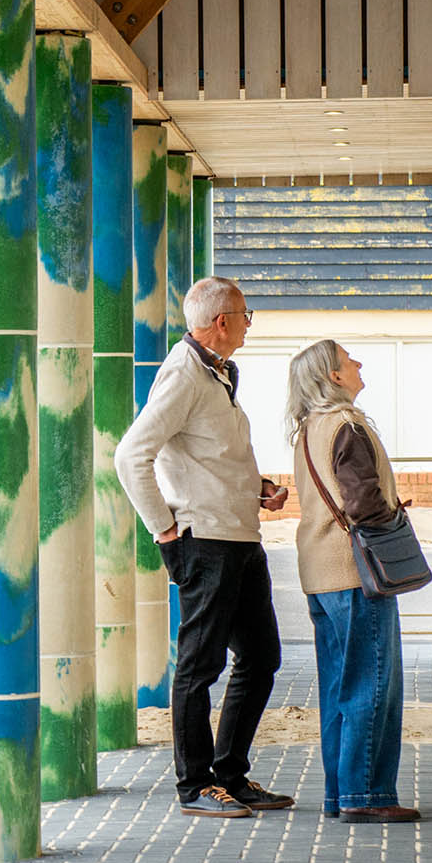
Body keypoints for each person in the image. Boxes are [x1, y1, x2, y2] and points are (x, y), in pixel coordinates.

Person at [116, 276, 291, 819]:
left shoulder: (219, 373)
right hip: (206, 543)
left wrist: (256, 487)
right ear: (221, 321)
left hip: (240, 537)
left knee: (261, 658)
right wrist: (166, 532)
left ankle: (230, 775)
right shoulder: (185, 375)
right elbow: (131, 456)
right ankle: (194, 786)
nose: (247, 322)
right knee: (199, 666)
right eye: (244, 313)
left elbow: (211, 456)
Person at [286, 340, 420, 824]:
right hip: (355, 573)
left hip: (319, 574)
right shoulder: (347, 425)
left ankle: (340, 794)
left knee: (339, 688)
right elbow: (360, 500)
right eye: (350, 359)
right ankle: (366, 795)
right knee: (373, 683)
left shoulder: (308, 429)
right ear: (334, 377)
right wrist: (390, 520)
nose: (359, 363)